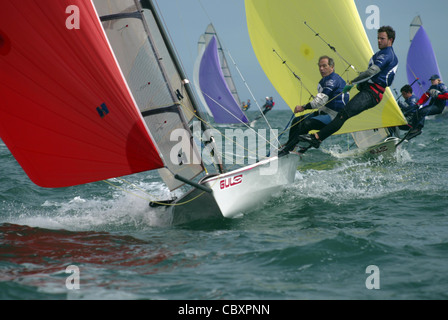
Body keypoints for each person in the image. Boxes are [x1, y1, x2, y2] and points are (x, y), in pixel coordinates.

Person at [298, 26, 399, 149]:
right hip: (369, 91)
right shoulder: (380, 54)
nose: (378, 41)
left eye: (382, 38)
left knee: (343, 114)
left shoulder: (388, 54)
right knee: (343, 114)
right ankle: (315, 138)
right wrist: (362, 83)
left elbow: (372, 72)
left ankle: (317, 138)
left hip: (372, 94)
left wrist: (352, 83)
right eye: (378, 38)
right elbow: (374, 75)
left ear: (390, 40)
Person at [279, 56, 349, 155]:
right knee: (296, 121)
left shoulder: (333, 80)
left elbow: (319, 101)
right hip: (323, 112)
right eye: (320, 66)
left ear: (332, 67)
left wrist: (303, 107)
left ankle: (287, 151)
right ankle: (290, 145)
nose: (321, 69)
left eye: (324, 66)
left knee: (307, 124)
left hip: (333, 116)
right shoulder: (325, 80)